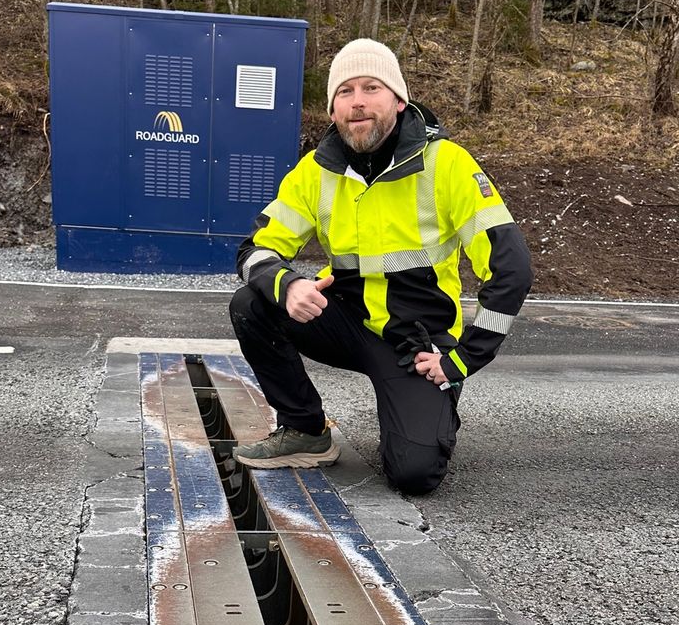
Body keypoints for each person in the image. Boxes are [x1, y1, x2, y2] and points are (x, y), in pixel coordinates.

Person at [228, 39, 532, 494]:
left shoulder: (445, 164)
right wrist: (287, 283)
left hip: (416, 341)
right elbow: (254, 249)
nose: (358, 102)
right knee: (253, 302)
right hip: (347, 323)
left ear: (399, 99)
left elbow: (511, 270)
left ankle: (432, 404)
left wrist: (462, 360)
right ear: (332, 110)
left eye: (371, 87)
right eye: (345, 92)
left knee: (414, 474)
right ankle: (306, 431)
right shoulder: (316, 170)